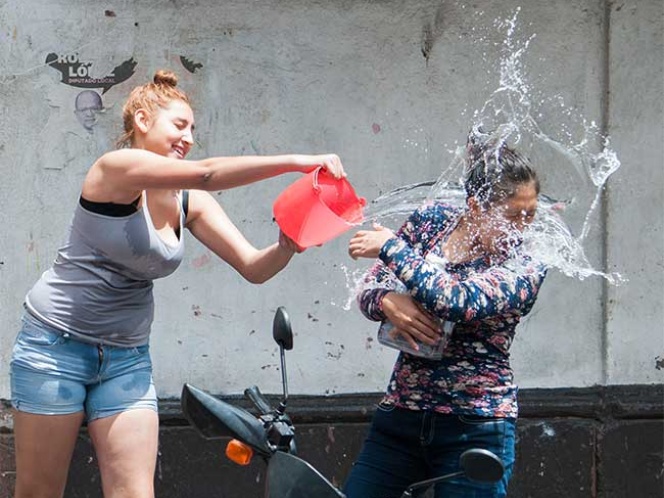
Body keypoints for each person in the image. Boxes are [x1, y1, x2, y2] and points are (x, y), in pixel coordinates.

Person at [10, 69, 345, 498]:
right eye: (179, 125)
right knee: (40, 492)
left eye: (193, 130)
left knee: (135, 493)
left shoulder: (189, 201)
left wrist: (287, 244)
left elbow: (254, 268)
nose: (188, 138)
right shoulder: (114, 169)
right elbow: (206, 173)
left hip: (126, 359)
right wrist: (299, 162)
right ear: (143, 120)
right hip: (55, 347)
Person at [344, 132, 547, 498]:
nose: (521, 228)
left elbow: (456, 300)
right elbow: (366, 289)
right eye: (512, 216)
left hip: (476, 424)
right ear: (474, 207)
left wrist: (390, 246)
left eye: (530, 215)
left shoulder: (528, 262)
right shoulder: (433, 221)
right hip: (401, 414)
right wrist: (387, 300)